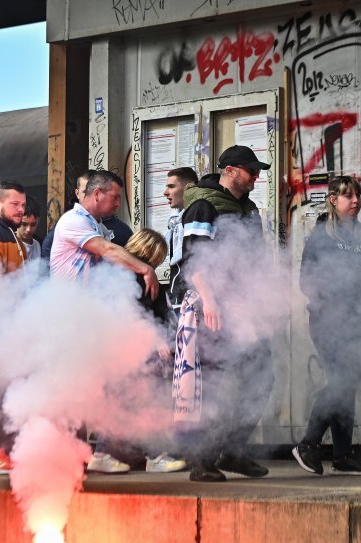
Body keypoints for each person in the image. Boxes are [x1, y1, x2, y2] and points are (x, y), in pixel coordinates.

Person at [171, 145, 273, 482]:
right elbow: (194, 259)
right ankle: (201, 461)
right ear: (230, 170)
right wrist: (210, 300)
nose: (256, 176)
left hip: (244, 307)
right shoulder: (204, 205)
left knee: (260, 375)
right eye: (250, 170)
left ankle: (233, 450)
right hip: (213, 308)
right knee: (212, 385)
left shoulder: (249, 209)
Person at [49, 170, 159, 474]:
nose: (117, 204)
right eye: (114, 197)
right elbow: (108, 251)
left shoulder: (96, 224)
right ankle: (77, 455)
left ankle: (93, 453)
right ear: (97, 194)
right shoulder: (74, 221)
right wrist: (145, 269)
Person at [292, 176, 361, 476]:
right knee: (341, 384)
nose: (356, 201)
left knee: (346, 388)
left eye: (357, 195)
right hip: (330, 325)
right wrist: (336, 309)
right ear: (333, 199)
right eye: (348, 196)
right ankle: (308, 444)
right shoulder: (323, 236)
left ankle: (343, 455)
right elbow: (307, 281)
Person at [122, 229, 188, 474]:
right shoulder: (127, 278)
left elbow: (162, 314)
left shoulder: (150, 281)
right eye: (159, 255)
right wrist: (157, 340)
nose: (161, 260)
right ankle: (152, 454)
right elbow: (133, 314)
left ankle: (141, 451)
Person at [164, 167, 198, 305]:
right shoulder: (175, 220)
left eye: (171, 187)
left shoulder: (195, 216)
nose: (165, 192)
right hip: (177, 292)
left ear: (188, 188)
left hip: (189, 295)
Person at [16, 195, 42, 261]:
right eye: (24, 224)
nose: (28, 230)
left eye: (33, 225)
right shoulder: (10, 245)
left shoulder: (37, 245)